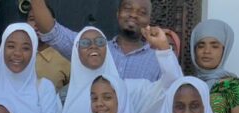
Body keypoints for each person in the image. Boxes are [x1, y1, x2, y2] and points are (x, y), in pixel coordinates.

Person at [57, 26, 181, 113]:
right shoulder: (64, 97)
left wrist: (163, 48)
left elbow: (172, 87)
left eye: (100, 42)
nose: (93, 46)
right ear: (76, 50)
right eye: (85, 43)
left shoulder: (127, 91)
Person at [29, 0, 162, 81]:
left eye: (142, 12)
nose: (133, 14)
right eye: (128, 9)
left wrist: (164, 49)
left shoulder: (159, 61)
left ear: (149, 20)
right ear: (117, 14)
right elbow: (52, 32)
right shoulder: (91, 48)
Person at [26, 6, 71, 92]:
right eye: (32, 19)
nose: (36, 23)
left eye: (42, 19)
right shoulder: (16, 55)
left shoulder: (64, 57)